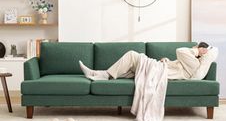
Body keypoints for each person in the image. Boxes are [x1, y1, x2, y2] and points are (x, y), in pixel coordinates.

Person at [79, 42, 218, 81]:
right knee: (128, 71)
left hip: (157, 71)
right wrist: (167, 61)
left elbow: (180, 51)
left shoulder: (195, 63)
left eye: (194, 47)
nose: (191, 48)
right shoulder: (189, 62)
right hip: (158, 68)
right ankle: (97, 74)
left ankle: (101, 75)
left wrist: (196, 51)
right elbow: (177, 64)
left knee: (132, 55)